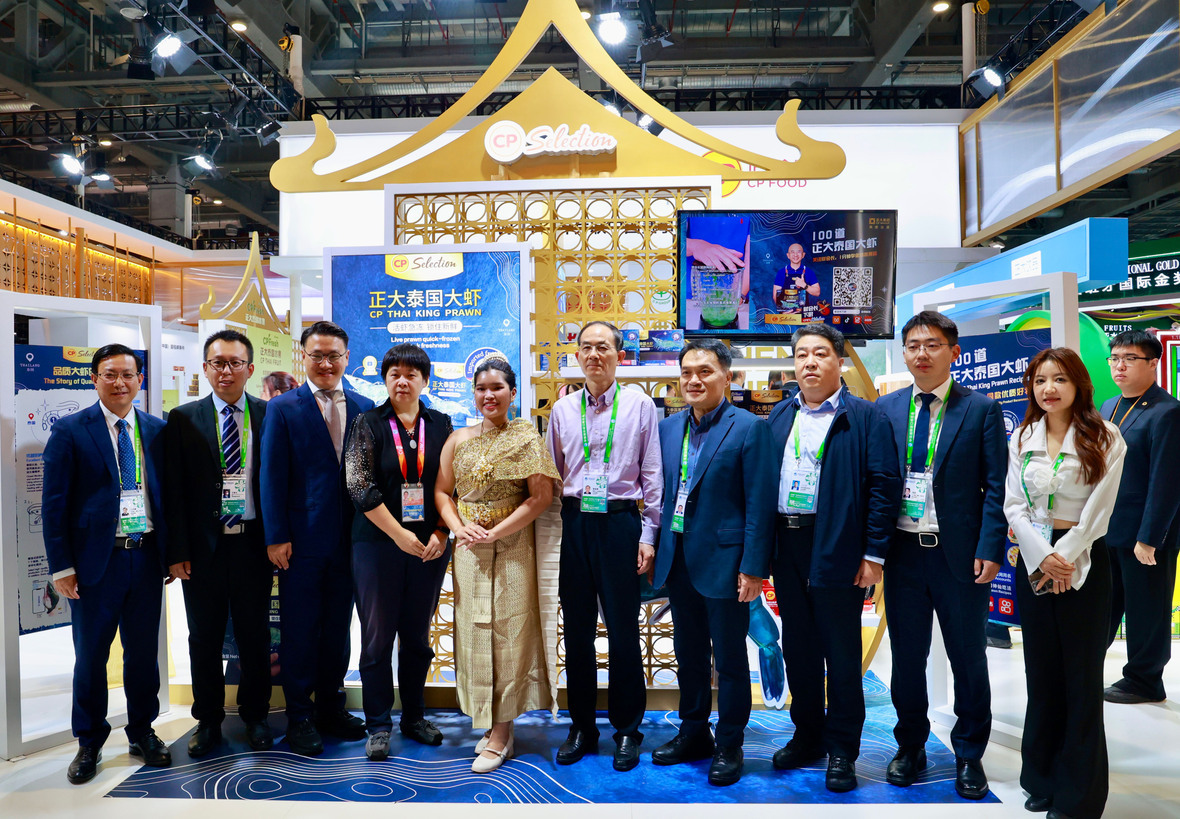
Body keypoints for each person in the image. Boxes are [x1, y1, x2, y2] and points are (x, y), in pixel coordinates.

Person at [876, 311, 1007, 799]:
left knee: (968, 657)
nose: (921, 354)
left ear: (953, 352)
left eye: (932, 345)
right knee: (907, 657)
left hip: (961, 557)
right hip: (903, 554)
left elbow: (996, 487)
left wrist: (990, 547)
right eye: (913, 345)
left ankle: (969, 753)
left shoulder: (980, 410)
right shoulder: (886, 409)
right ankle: (910, 745)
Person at [766, 324, 900, 793]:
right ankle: (807, 735)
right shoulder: (780, 415)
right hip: (788, 544)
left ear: (839, 361)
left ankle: (843, 748)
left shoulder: (865, 416)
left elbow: (884, 488)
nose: (809, 362)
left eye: (820, 353)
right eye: (801, 354)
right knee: (798, 648)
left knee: (841, 653)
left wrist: (874, 553)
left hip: (839, 545)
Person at [1003, 347, 1126, 819]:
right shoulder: (1023, 436)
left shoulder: (1106, 436)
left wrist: (1065, 555)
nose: (1048, 389)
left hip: (1084, 559)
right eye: (1039, 380)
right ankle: (1041, 778)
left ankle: (1079, 796)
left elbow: (1100, 509)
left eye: (1058, 379)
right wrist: (1042, 556)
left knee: (1080, 678)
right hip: (1034, 557)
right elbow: (1014, 505)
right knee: (1041, 673)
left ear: (1078, 384)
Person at [42, 345, 172, 784]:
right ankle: (89, 741)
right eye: (110, 374)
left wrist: (172, 555)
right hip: (95, 564)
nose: (120, 382)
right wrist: (62, 566)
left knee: (143, 655)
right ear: (95, 378)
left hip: (146, 557)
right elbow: (54, 504)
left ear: (140, 380)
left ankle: (142, 731)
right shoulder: (70, 430)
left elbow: (167, 498)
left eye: (128, 374)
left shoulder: (156, 429)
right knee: (91, 657)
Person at [650, 339, 775, 787]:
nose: (694, 380)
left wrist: (754, 568)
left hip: (727, 564)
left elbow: (760, 503)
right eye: (686, 372)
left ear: (727, 376)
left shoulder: (749, 428)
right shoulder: (669, 428)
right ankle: (693, 732)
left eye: (704, 371)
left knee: (730, 659)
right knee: (688, 655)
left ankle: (730, 742)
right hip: (678, 558)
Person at [434, 357, 562, 774]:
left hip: (513, 546)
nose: (489, 395)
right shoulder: (457, 438)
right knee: (474, 631)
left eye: (497, 388)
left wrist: (497, 531)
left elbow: (540, 497)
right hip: (469, 549)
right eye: (481, 388)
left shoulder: (526, 437)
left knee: (509, 632)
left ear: (513, 393)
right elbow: (442, 492)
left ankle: (503, 732)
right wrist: (458, 527)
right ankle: (488, 720)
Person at [545, 321, 662, 772]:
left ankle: (627, 729)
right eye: (586, 347)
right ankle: (581, 727)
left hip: (620, 524)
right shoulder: (562, 410)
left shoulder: (640, 405)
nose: (594, 354)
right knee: (576, 632)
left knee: (623, 631)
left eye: (604, 347)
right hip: (575, 522)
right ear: (577, 355)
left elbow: (652, 475)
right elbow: (553, 476)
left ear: (619, 355)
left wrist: (648, 535)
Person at [260, 321, 375, 755]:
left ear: (346, 358)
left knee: (338, 630)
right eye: (317, 356)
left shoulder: (364, 406)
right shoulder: (282, 408)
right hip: (300, 543)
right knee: (300, 630)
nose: (326, 364)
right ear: (303, 358)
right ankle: (299, 715)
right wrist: (276, 536)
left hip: (352, 541)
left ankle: (331, 707)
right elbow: (271, 475)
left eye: (334, 356)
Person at [164, 330, 273, 757]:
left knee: (254, 635)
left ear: (249, 368)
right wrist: (177, 552)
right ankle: (208, 719)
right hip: (202, 551)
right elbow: (174, 491)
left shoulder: (268, 414)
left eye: (234, 363)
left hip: (253, 545)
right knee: (203, 638)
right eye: (217, 363)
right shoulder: (183, 418)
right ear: (205, 368)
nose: (226, 371)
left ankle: (256, 715)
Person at [345, 344, 454, 761]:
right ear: (385, 380)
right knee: (376, 639)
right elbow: (359, 486)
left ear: (425, 380)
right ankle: (378, 725)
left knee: (417, 637)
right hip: (377, 546)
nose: (402, 381)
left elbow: (452, 485)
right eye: (394, 374)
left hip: (430, 547)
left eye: (411, 374)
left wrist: (442, 532)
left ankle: (414, 717)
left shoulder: (441, 424)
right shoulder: (368, 423)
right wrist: (397, 535)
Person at [1101, 330, 1180, 704]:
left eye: (1130, 359)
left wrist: (1149, 537)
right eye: (1115, 358)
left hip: (1145, 534)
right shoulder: (1108, 406)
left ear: (1153, 363)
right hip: (1107, 528)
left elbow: (1167, 481)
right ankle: (1084, 666)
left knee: (1147, 608)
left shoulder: (1168, 412)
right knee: (1103, 604)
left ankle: (1145, 680)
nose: (1120, 366)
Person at [773, 242, 820, 314]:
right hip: (786, 314)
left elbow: (817, 292)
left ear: (803, 255)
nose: (795, 255)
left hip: (804, 314)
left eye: (799, 252)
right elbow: (775, 295)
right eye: (792, 252)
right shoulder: (781, 272)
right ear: (788, 255)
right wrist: (783, 312)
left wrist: (804, 285)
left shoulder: (809, 272)